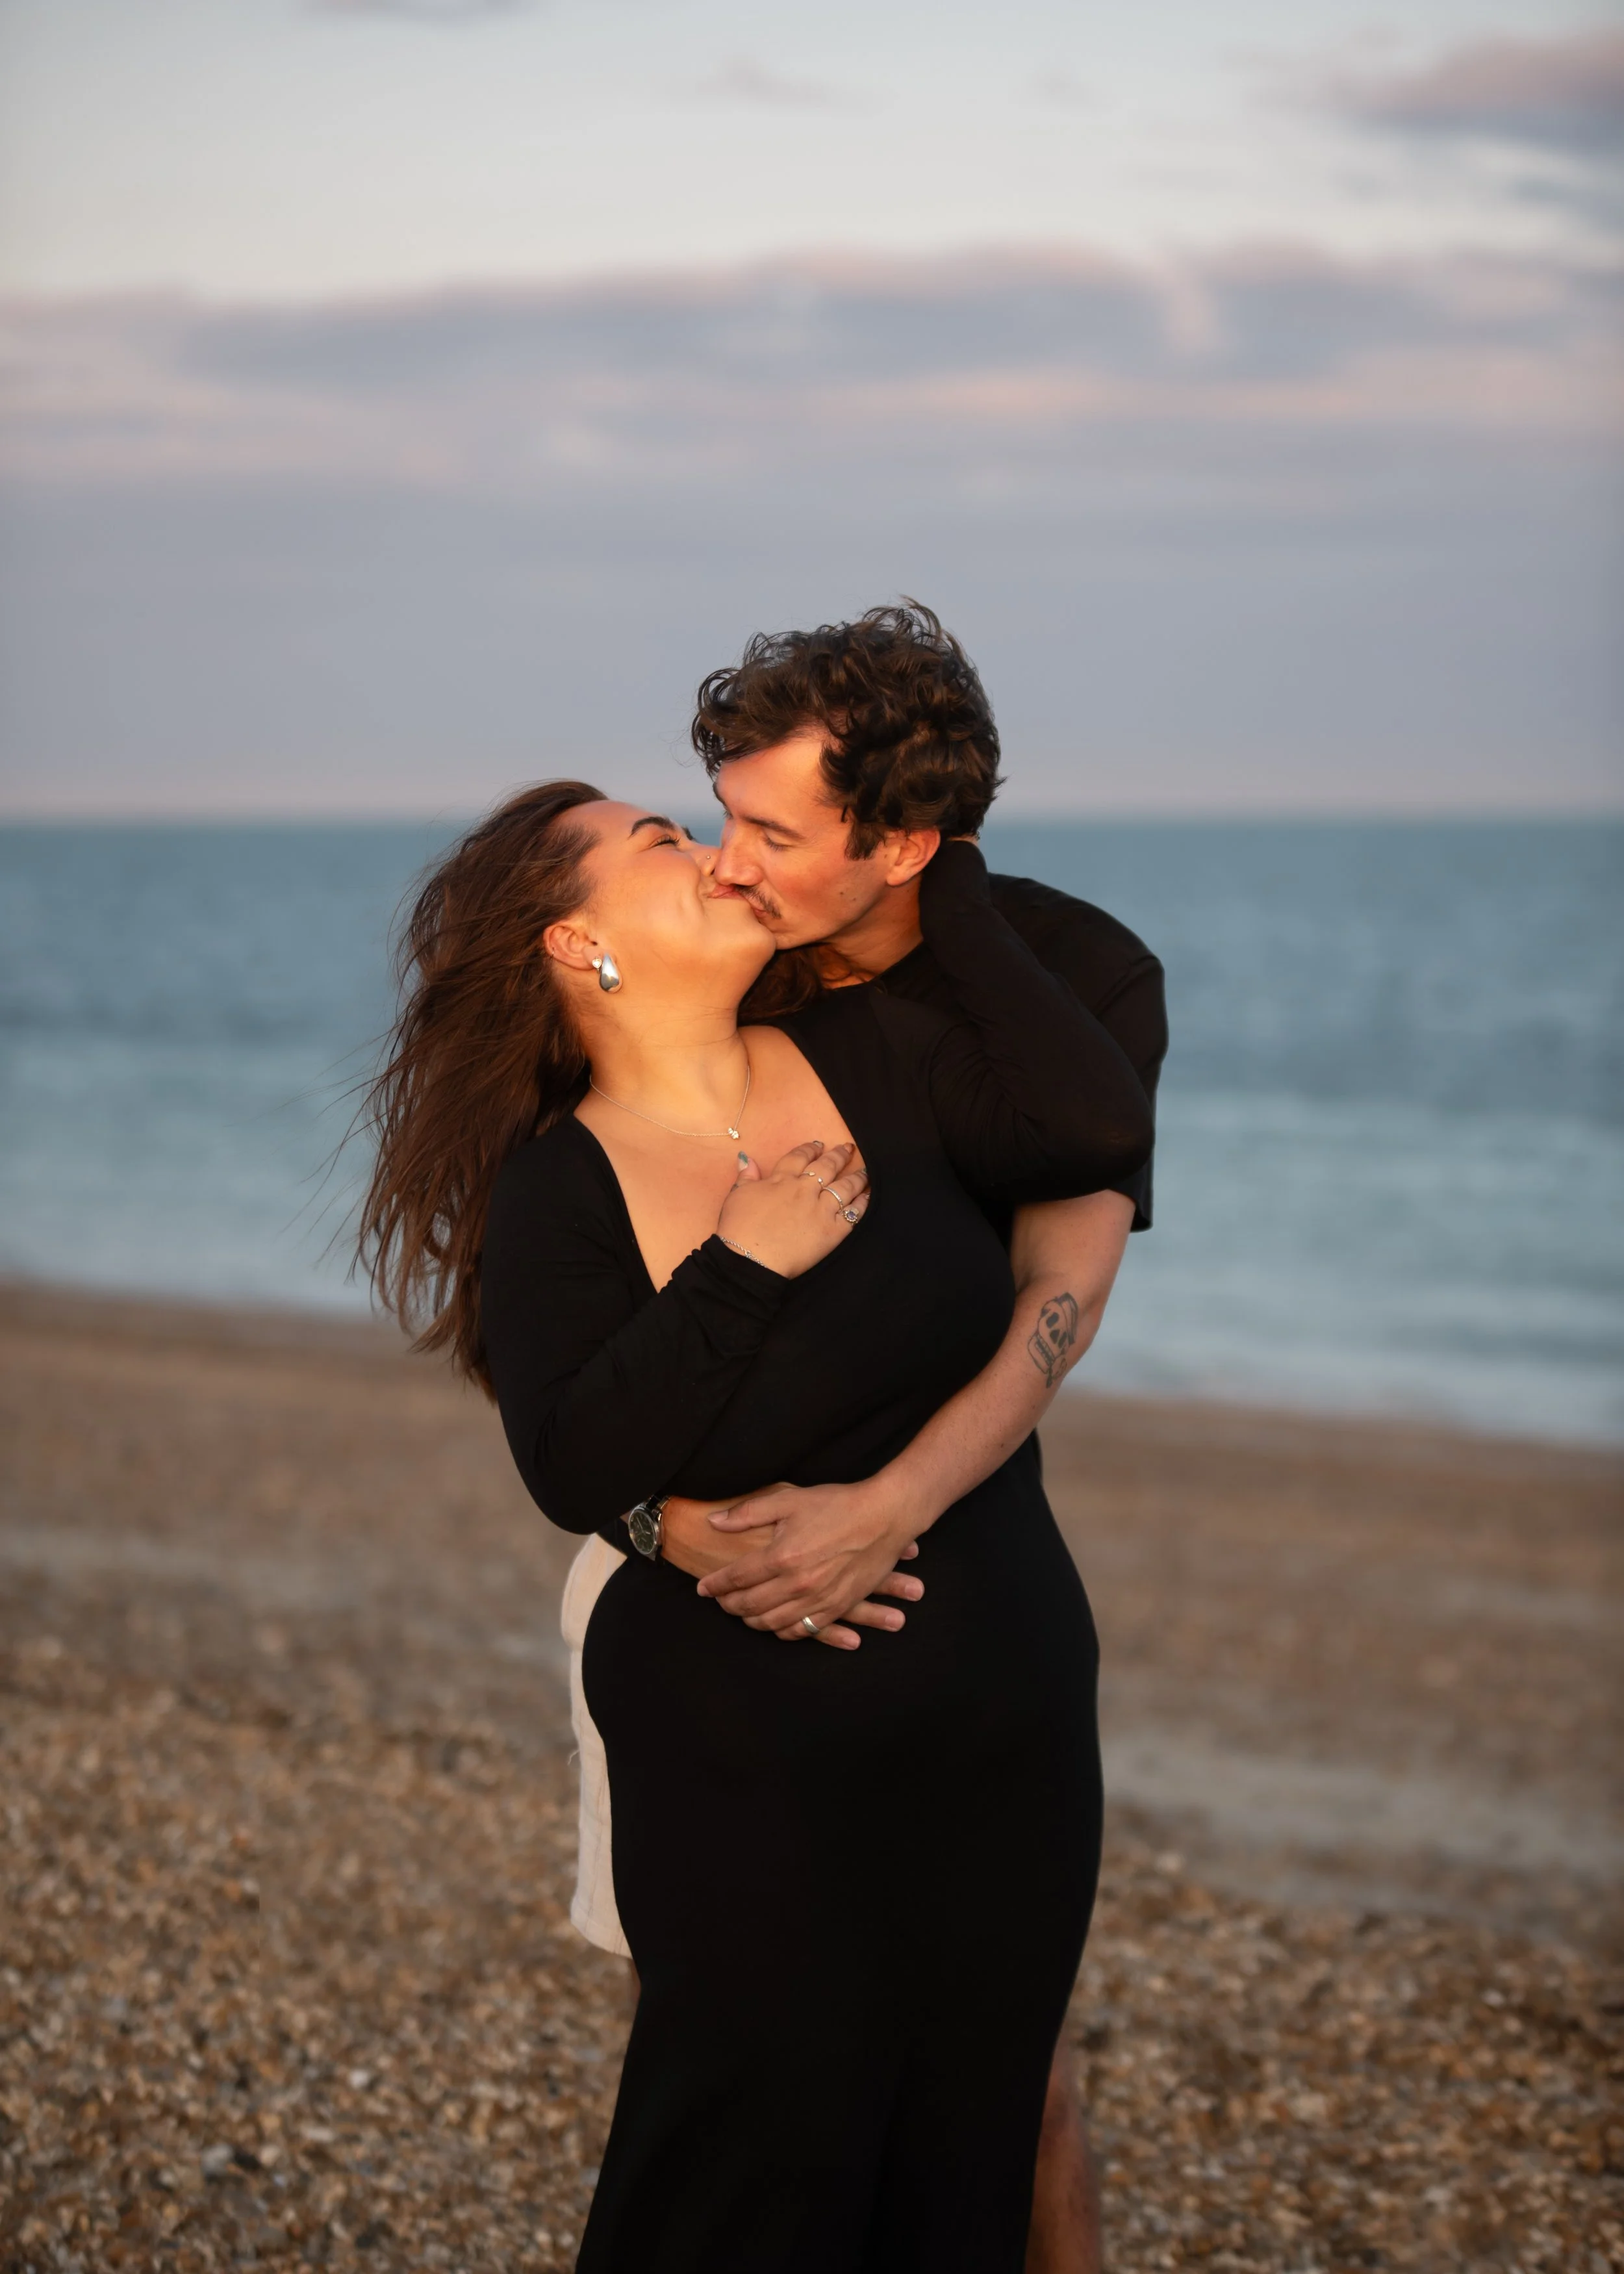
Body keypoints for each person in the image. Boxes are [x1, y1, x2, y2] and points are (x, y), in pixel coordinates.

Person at [358, 757, 1154, 2269]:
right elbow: (571, 1461)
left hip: (1006, 1718)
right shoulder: (559, 1184)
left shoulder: (880, 1052)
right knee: (741, 2167)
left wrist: (941, 864)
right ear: (574, 942)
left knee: (968, 2152)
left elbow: (1097, 1128)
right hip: (742, 1761)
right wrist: (743, 1262)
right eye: (665, 841)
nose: (720, 858)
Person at [566, 604, 1167, 2273]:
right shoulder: (726, 960)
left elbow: (1058, 1296)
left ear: (901, 839)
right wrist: (663, 1527)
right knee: (752, 2076)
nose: (728, 863)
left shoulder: (1076, 977)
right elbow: (568, 1287)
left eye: (771, 831)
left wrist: (886, 1508)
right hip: (702, 1586)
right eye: (721, 816)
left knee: (1010, 2094)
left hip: (955, 1589)